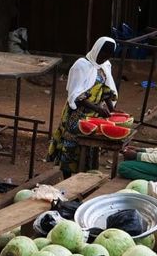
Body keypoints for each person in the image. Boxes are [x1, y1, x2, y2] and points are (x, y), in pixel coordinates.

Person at [46, 36, 119, 177]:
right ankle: (67, 179)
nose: (104, 58)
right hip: (77, 115)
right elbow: (75, 95)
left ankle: (85, 178)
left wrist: (112, 110)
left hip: (95, 116)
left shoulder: (104, 66)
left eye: (108, 56)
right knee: (71, 147)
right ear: (96, 49)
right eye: (103, 55)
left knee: (90, 149)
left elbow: (105, 90)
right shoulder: (81, 65)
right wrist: (97, 108)